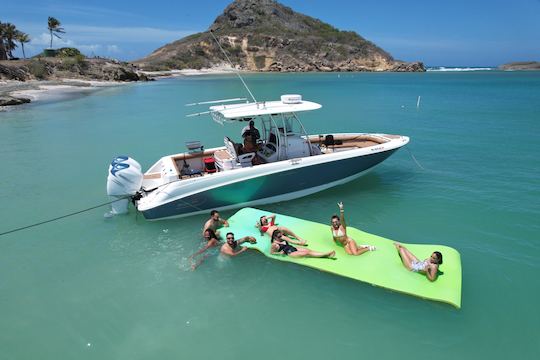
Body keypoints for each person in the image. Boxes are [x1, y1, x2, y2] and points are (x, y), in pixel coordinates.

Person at [270, 230, 335, 259]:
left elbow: (291, 241)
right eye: (279, 237)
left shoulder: (283, 238)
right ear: (275, 237)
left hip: (293, 248)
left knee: (309, 250)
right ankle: (326, 254)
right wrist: (279, 253)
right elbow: (271, 253)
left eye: (281, 236)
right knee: (307, 253)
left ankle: (325, 254)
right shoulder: (274, 244)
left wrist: (300, 242)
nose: (281, 237)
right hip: (290, 253)